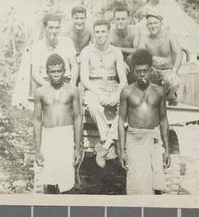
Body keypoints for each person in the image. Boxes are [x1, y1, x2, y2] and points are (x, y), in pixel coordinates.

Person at [118, 49, 170, 195]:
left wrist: (166, 149)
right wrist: (122, 150)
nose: (142, 75)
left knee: (155, 180)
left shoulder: (159, 92)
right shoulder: (127, 92)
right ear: (133, 71)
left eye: (145, 71)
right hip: (134, 139)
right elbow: (121, 120)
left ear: (151, 70)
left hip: (153, 139)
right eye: (138, 71)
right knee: (136, 181)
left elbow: (164, 119)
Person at [80, 19, 128, 168]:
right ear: (93, 33)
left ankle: (104, 147)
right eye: (97, 32)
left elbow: (123, 80)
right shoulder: (86, 51)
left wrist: (116, 94)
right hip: (93, 87)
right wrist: (99, 93)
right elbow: (84, 78)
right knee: (93, 103)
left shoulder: (116, 52)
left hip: (113, 85)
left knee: (126, 107)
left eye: (103, 32)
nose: (100, 35)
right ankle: (107, 141)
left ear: (108, 33)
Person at [33, 54, 82, 194]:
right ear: (47, 72)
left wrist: (77, 148)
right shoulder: (40, 92)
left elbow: (78, 117)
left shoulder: (72, 90)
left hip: (66, 136)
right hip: (48, 137)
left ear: (64, 71)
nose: (56, 74)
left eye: (59, 71)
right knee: (48, 180)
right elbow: (36, 120)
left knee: (66, 181)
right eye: (53, 71)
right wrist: (37, 150)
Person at [138, 9, 182, 105]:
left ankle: (170, 95)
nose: (153, 26)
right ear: (147, 26)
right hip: (152, 71)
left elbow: (178, 53)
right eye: (150, 24)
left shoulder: (169, 36)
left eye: (155, 23)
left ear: (161, 23)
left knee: (173, 82)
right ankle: (153, 95)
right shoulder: (144, 37)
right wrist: (152, 59)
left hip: (168, 70)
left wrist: (174, 71)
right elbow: (140, 54)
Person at [30, 13, 78, 96]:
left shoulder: (67, 42)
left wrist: (72, 85)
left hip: (65, 80)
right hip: (46, 82)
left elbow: (74, 65)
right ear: (44, 28)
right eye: (51, 28)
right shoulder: (37, 47)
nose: (54, 31)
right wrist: (49, 87)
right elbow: (35, 73)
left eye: (57, 28)